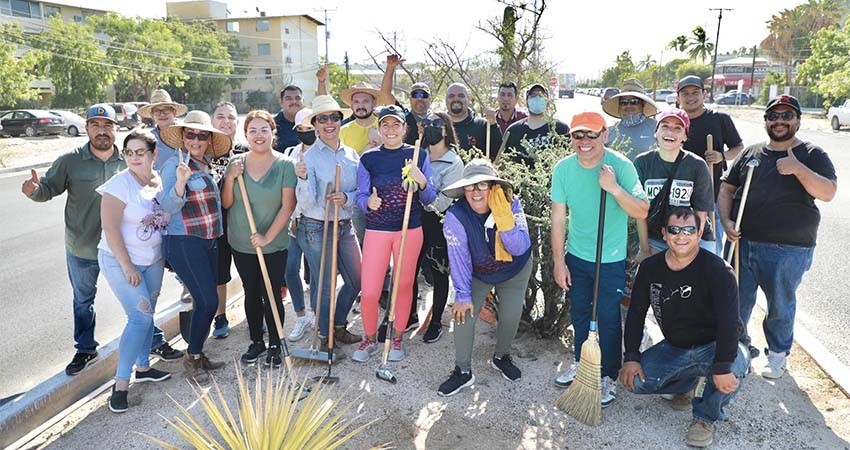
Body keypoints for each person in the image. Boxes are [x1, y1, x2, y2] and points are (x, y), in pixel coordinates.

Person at [718, 95, 837, 379]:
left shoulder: (812, 153)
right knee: (734, 301)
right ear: (766, 121)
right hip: (741, 242)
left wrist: (798, 170)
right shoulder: (751, 153)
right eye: (773, 116)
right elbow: (726, 190)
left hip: (788, 248)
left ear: (797, 120)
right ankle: (737, 348)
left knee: (780, 305)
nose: (779, 121)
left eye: (786, 115)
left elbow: (828, 192)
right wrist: (726, 221)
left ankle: (778, 354)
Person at [621, 206, 750, 448]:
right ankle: (689, 383)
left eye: (689, 229)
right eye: (675, 229)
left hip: (715, 345)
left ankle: (704, 418)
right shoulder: (650, 268)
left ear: (699, 234)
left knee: (734, 368)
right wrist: (631, 356)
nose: (682, 236)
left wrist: (722, 366)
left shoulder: (718, 271)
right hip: (676, 347)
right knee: (635, 383)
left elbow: (729, 323)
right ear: (664, 233)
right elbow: (636, 313)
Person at [550, 111, 649, 407]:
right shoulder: (563, 169)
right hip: (577, 256)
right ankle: (583, 362)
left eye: (592, 134)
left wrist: (614, 188)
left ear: (605, 135)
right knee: (580, 312)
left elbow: (642, 210)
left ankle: (607, 376)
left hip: (610, 259)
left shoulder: (621, 167)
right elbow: (558, 218)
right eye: (578, 135)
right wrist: (558, 261)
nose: (584, 141)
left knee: (607, 318)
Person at [21, 104, 129, 376]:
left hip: (122, 248)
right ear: (87, 128)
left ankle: (152, 340)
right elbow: (48, 189)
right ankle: (85, 348)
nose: (102, 131)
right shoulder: (70, 160)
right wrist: (34, 191)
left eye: (107, 126)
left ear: (116, 129)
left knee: (135, 296)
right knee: (83, 300)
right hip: (82, 248)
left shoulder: (128, 160)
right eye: (95, 125)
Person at [436, 159, 533, 396]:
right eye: (470, 187)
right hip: (479, 272)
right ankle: (463, 372)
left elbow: (519, 247)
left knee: (510, 317)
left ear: (493, 187)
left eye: (482, 185)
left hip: (514, 268)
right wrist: (463, 294)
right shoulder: (456, 216)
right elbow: (459, 258)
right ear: (463, 190)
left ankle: (501, 357)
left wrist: (503, 217)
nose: (476, 192)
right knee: (462, 315)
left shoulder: (511, 204)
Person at [353, 105, 436, 363]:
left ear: (404, 128)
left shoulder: (418, 155)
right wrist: (368, 203)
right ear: (379, 129)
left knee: (403, 285)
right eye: (385, 125)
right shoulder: (369, 158)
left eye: (395, 125)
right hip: (377, 230)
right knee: (369, 291)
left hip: (409, 229)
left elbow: (430, 197)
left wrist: (421, 180)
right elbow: (360, 195)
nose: (390, 130)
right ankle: (368, 339)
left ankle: (397, 337)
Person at [97, 130, 171, 413]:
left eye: (140, 152)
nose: (134, 157)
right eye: (129, 152)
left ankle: (143, 367)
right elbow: (110, 228)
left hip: (152, 259)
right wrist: (127, 266)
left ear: (154, 155)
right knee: (140, 318)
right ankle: (120, 385)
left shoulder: (158, 181)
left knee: (149, 312)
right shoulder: (118, 185)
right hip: (120, 260)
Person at [160, 110, 232, 383]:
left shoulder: (205, 164)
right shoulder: (174, 166)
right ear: (182, 137)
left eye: (202, 135)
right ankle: (192, 358)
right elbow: (167, 206)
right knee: (208, 300)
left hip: (208, 240)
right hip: (184, 241)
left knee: (205, 301)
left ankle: (198, 353)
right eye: (190, 134)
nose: (196, 139)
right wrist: (180, 183)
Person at [222, 110, 298, 368]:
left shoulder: (285, 165)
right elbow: (226, 203)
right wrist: (231, 178)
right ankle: (256, 341)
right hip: (242, 243)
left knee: (272, 292)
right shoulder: (236, 164)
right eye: (252, 130)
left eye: (264, 129)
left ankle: (276, 341)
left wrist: (266, 237)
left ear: (272, 132)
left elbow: (287, 207)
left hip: (274, 243)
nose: (258, 135)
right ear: (246, 134)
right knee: (251, 292)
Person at [295, 95, 364, 351]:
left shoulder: (352, 155)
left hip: (344, 225)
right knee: (324, 285)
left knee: (357, 279)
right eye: (322, 119)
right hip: (317, 226)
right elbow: (306, 204)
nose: (328, 123)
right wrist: (302, 178)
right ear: (315, 124)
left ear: (340, 120)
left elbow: (362, 192)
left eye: (333, 117)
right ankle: (325, 337)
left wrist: (346, 197)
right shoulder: (309, 158)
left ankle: (338, 325)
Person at [634, 108, 715, 259]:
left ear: (685, 136)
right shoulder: (642, 162)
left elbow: (701, 213)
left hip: (693, 237)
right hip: (655, 237)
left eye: (677, 128)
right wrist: (644, 249)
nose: (670, 132)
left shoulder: (697, 165)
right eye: (665, 126)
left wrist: (690, 250)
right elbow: (640, 212)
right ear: (656, 132)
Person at [676, 75, 744, 254]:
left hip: (713, 195)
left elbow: (739, 147)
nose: (690, 97)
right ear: (678, 98)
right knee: (681, 246)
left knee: (711, 246)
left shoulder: (720, 119)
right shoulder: (674, 123)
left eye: (695, 92)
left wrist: (722, 156)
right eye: (685, 94)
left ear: (704, 94)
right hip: (680, 197)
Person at [417, 112, 464, 343]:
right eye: (426, 124)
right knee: (409, 270)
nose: (430, 128)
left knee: (439, 273)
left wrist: (423, 186)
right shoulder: (417, 155)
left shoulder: (455, 164)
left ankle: (436, 321)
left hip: (439, 223)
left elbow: (440, 203)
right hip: (414, 222)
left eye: (436, 124)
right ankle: (407, 317)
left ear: (445, 129)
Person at [208, 101, 249, 339]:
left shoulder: (245, 150)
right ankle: (220, 316)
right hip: (216, 225)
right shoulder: (205, 152)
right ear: (213, 121)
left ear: (237, 123)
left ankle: (253, 311)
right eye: (220, 117)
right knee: (219, 273)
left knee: (247, 270)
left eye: (231, 117)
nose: (226, 122)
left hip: (242, 221)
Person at [281, 108, 316, 342]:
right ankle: (301, 315)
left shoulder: (322, 153)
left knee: (316, 271)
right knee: (290, 269)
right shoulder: (289, 152)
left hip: (315, 221)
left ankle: (315, 313)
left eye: (309, 129)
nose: (305, 133)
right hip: (293, 221)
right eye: (300, 129)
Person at [504, 83, 570, 166]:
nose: (537, 99)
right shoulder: (513, 131)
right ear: (527, 101)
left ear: (548, 102)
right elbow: (505, 163)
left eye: (541, 96)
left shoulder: (561, 129)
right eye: (533, 95)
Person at [602, 78, 659, 161]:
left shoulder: (657, 128)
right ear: (619, 106)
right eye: (624, 102)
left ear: (643, 103)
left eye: (634, 101)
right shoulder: (610, 132)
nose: (628, 105)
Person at [446, 82, 502, 159]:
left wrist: (493, 125)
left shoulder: (483, 125)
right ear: (446, 100)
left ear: (469, 99)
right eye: (451, 96)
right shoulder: (439, 125)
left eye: (461, 96)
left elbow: (498, 154)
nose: (456, 99)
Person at [137, 89, 188, 171]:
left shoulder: (188, 133)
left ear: (174, 112)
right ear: (152, 115)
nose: (162, 114)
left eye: (166, 109)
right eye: (157, 111)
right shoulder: (148, 139)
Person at [273, 85, 305, 151]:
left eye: (298, 98)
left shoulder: (311, 122)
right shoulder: (272, 126)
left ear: (303, 101)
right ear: (281, 102)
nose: (294, 101)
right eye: (289, 99)